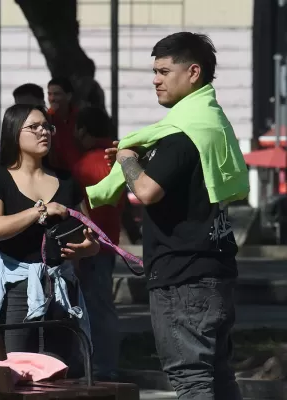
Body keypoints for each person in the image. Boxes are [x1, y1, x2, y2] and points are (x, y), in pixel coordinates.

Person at [92, 33, 248, 399]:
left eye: (164, 71)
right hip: (215, 271)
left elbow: (146, 191)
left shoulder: (180, 135)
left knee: (191, 379)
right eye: (154, 71)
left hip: (183, 277)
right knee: (219, 376)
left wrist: (127, 157)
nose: (155, 80)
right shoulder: (213, 124)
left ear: (193, 72)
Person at [0, 104, 99, 377]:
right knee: (15, 373)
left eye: (47, 126)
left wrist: (88, 248)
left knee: (59, 373)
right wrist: (39, 211)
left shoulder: (67, 181)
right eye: (34, 127)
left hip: (61, 290)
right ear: (13, 133)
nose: (43, 132)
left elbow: (90, 232)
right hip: (17, 288)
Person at [72, 107, 123, 382]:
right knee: (103, 308)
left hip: (89, 246)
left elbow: (81, 213)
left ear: (84, 131)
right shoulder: (117, 161)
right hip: (110, 243)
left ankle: (100, 367)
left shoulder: (83, 165)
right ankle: (105, 364)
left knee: (92, 310)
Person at [46, 77, 82, 172]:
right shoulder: (46, 119)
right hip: (54, 171)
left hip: (79, 171)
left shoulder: (80, 118)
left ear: (69, 96)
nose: (52, 98)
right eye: (49, 94)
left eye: (57, 94)